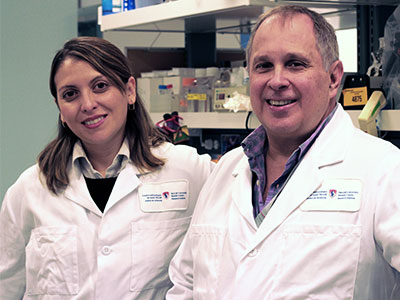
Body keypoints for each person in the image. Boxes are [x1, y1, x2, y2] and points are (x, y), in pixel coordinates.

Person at [166, 5, 400, 300]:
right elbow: (185, 284)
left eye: (295, 64)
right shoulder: (226, 169)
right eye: (263, 65)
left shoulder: (385, 170)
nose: (277, 81)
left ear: (333, 78)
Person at [0, 36, 214, 300]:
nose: (88, 104)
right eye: (70, 94)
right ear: (60, 109)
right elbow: (7, 286)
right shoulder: (30, 190)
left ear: (129, 91)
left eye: (100, 86)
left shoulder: (190, 171)